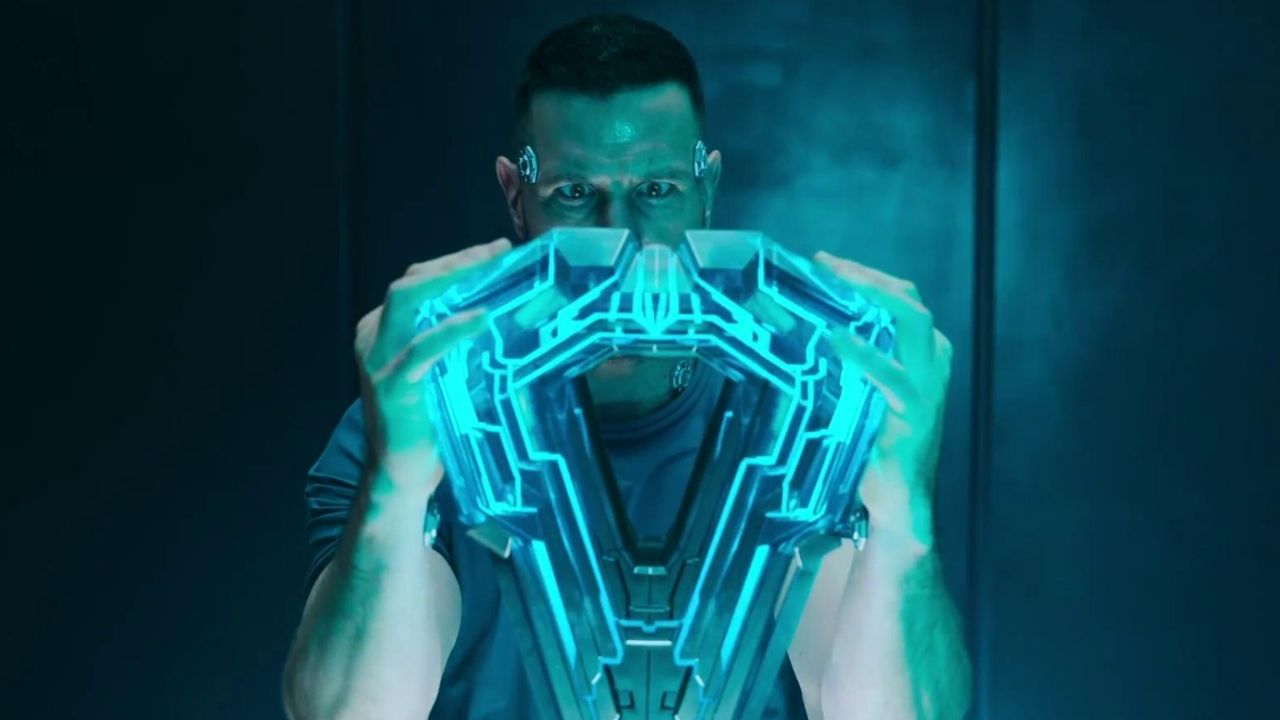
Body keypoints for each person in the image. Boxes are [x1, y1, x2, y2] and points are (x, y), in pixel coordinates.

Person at [283, 14, 971, 720]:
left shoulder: (808, 420)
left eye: (658, 190)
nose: (623, 240)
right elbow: (351, 712)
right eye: (574, 193)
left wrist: (905, 516)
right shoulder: (423, 418)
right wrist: (393, 493)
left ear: (708, 189)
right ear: (517, 198)